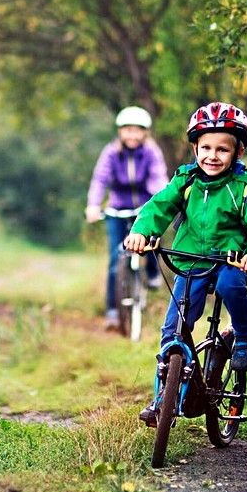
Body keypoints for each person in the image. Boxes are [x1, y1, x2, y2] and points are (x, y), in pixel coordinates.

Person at [124, 102, 247, 425]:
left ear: (238, 152)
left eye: (223, 149)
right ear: (195, 148)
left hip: (230, 260)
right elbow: (158, 207)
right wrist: (141, 232)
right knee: (174, 328)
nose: (212, 156)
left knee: (230, 285)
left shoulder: (242, 188)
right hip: (190, 260)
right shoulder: (186, 181)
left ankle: (245, 336)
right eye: (206, 147)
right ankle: (162, 399)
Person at [85, 106, 169, 330]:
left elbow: (159, 178)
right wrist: (93, 205)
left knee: (151, 242)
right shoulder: (111, 152)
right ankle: (112, 311)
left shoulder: (151, 152)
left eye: (137, 130)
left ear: (145, 132)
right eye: (128, 130)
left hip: (144, 207)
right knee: (116, 259)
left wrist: (161, 201)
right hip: (117, 209)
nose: (132, 135)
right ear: (120, 132)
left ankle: (152, 272)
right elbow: (100, 179)